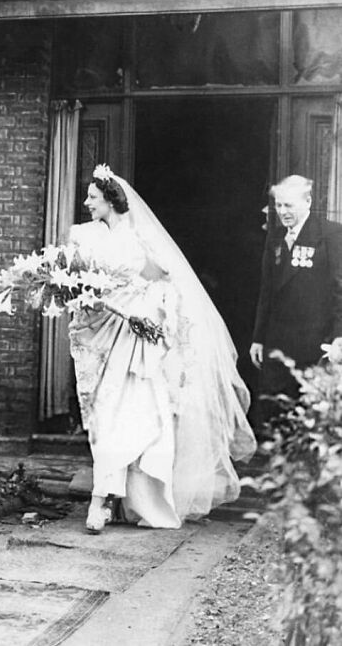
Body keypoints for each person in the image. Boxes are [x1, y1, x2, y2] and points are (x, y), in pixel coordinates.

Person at [68, 164, 256, 532]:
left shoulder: (142, 240)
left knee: (137, 418)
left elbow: (167, 287)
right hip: (104, 334)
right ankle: (105, 499)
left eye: (93, 197)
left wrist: (147, 317)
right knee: (106, 419)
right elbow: (79, 286)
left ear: (110, 200)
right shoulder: (84, 237)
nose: (87, 202)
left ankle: (124, 502)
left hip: (138, 343)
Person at [250, 174, 342, 434]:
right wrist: (258, 338)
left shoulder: (331, 234)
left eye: (288, 205)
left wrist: (338, 337)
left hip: (315, 340)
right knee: (275, 413)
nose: (282, 212)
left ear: (308, 202)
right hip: (278, 339)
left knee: (309, 412)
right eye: (278, 205)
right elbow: (267, 292)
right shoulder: (276, 238)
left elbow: (340, 290)